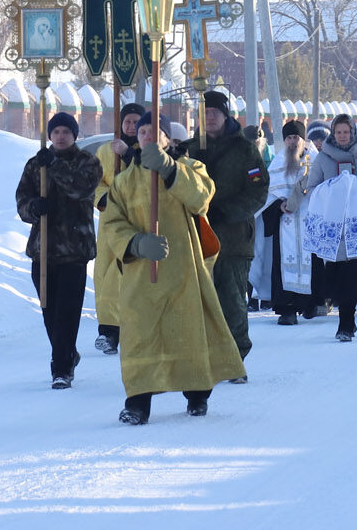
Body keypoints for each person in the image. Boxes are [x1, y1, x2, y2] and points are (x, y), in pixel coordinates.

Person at [99, 112, 245, 423]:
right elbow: (112, 222)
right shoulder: (124, 181)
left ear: (167, 138)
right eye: (142, 132)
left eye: (155, 132)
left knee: (188, 330)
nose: (148, 136)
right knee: (140, 333)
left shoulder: (191, 168)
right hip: (142, 274)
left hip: (184, 270)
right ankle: (137, 402)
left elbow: (202, 198)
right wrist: (136, 243)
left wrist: (169, 169)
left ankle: (197, 393)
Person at [15, 110, 105, 389]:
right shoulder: (35, 164)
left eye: (66, 132)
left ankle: (61, 368)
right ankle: (67, 352)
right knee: (49, 310)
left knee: (67, 311)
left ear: (74, 135)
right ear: (50, 135)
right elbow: (21, 199)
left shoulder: (88, 162)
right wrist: (33, 208)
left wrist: (53, 166)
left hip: (75, 248)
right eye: (56, 132)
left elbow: (80, 188)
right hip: (43, 248)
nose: (61, 136)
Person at [181, 90, 270, 368]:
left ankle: (235, 358)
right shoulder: (189, 148)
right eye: (204, 113)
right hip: (195, 237)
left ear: (225, 115)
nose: (209, 118)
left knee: (232, 301)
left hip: (233, 239)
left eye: (214, 112)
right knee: (198, 303)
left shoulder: (245, 150)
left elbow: (258, 192)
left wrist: (225, 211)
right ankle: (203, 358)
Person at [304, 114, 357, 341]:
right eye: (338, 132)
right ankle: (340, 313)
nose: (342, 136)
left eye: (346, 132)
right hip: (334, 228)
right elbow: (311, 190)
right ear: (333, 133)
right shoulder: (322, 158)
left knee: (352, 275)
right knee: (335, 277)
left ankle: (346, 325)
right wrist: (330, 191)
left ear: (352, 132)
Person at [92, 103, 145, 355]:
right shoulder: (105, 151)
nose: (131, 127)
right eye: (127, 122)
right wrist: (103, 198)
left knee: (138, 274)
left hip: (140, 220)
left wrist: (127, 155)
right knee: (108, 275)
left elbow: (147, 175)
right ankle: (109, 331)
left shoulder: (149, 150)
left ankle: (138, 329)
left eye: (136, 122)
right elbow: (95, 182)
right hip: (111, 221)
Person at [264, 120, 318, 325]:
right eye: (289, 138)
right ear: (284, 140)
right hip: (284, 221)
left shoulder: (315, 160)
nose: (293, 142)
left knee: (312, 261)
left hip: (309, 221)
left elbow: (321, 190)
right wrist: (278, 206)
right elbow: (268, 195)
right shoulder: (278, 163)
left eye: (297, 138)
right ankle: (287, 309)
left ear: (303, 140)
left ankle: (310, 303)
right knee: (283, 263)